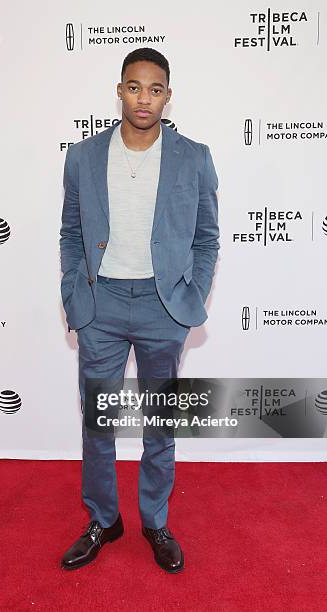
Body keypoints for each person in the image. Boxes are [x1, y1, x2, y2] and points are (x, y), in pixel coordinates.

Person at [59, 47, 220, 573]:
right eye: (134, 87)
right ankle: (104, 519)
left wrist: (189, 295)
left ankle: (154, 520)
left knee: (161, 422)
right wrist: (73, 290)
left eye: (154, 89)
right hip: (100, 303)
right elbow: (70, 233)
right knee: (98, 424)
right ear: (119, 90)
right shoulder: (83, 156)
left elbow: (206, 238)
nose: (143, 97)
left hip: (162, 306)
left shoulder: (193, 156)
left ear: (168, 96)